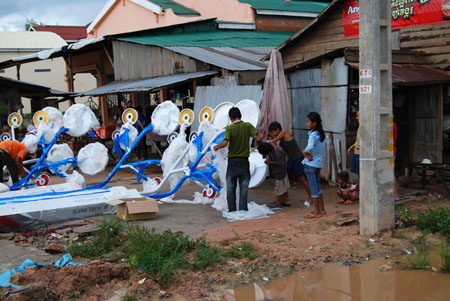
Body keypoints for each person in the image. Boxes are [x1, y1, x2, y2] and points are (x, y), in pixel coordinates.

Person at [213, 107, 261, 212]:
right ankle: (243, 211)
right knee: (244, 188)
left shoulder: (229, 129)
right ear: (241, 116)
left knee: (231, 189)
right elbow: (258, 138)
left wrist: (217, 147)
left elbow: (225, 143)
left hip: (232, 162)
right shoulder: (248, 126)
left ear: (230, 118)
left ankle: (232, 211)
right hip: (244, 161)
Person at [269, 121, 312, 203]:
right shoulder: (281, 141)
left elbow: (273, 141)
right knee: (283, 177)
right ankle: (284, 199)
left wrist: (270, 142)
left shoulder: (284, 133)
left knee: (301, 178)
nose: (273, 134)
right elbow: (284, 152)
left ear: (278, 129)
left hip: (298, 158)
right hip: (291, 160)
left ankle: (311, 196)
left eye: (273, 132)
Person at [302, 112, 326, 218]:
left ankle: (316, 211)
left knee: (313, 188)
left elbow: (309, 147)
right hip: (318, 164)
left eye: (308, 122)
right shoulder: (321, 135)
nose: (307, 124)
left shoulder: (312, 135)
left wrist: (305, 153)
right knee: (317, 186)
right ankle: (322, 209)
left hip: (310, 164)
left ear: (314, 123)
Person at [257, 142, 291, 208]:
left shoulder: (276, 152)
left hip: (280, 172)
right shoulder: (271, 147)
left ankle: (278, 202)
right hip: (281, 171)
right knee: (283, 187)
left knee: (278, 187)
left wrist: (269, 162)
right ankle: (286, 201)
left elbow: (281, 163)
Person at [348, 110, 360, 176]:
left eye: (358, 116)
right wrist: (353, 146)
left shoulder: (366, 128)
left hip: (361, 154)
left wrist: (361, 146)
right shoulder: (360, 128)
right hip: (357, 153)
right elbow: (358, 141)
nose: (356, 118)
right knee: (359, 173)